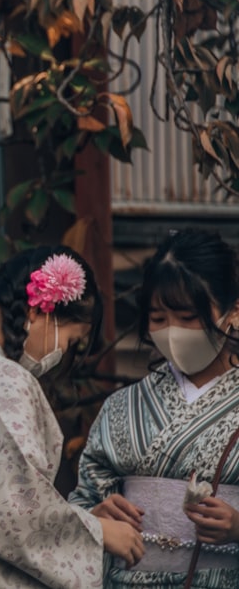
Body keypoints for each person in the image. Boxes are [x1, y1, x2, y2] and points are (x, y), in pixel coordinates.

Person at [0, 246, 144, 588]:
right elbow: (13, 517)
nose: (63, 357)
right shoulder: (1, 380)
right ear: (40, 309)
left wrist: (81, 519)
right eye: (73, 341)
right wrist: (98, 532)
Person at [69, 228, 239, 588]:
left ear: (233, 311)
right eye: (159, 319)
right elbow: (84, 498)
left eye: (188, 316)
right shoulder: (123, 406)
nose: (172, 331)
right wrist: (95, 516)